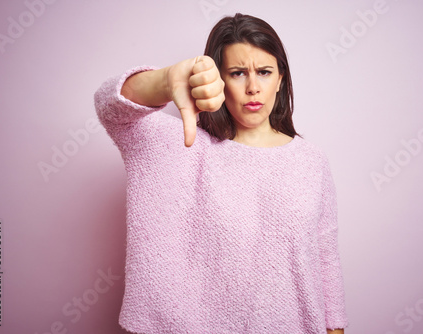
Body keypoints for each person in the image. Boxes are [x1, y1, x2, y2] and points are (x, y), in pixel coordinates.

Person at [94, 13, 348, 334]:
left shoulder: (312, 161)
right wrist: (166, 79)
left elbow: (326, 258)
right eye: (238, 73)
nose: (253, 87)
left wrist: (335, 329)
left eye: (265, 72)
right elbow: (110, 108)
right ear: (219, 79)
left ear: (281, 79)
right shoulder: (181, 146)